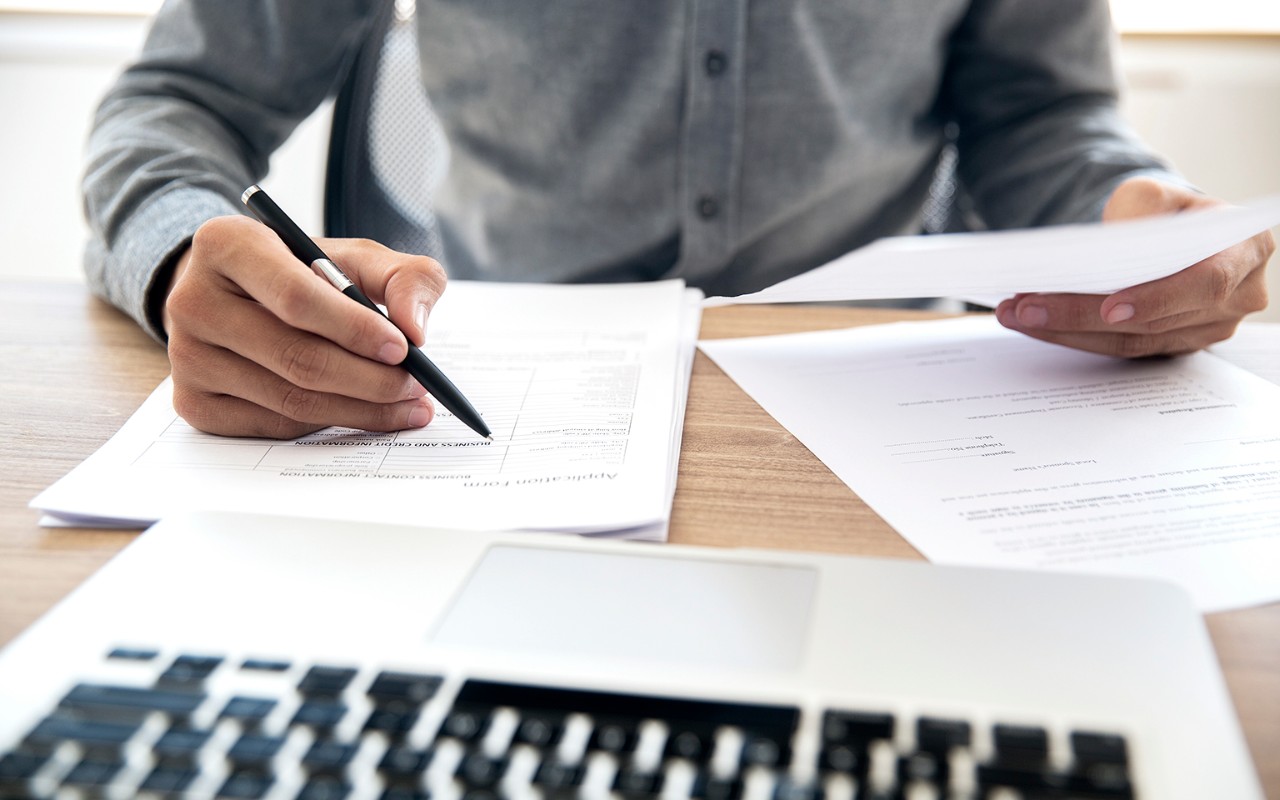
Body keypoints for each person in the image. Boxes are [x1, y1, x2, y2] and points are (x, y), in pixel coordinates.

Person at [83, 0, 1273, 440]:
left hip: (880, 406)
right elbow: (177, 102)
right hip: (493, 390)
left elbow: (1041, 115)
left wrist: (1125, 223)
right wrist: (187, 248)